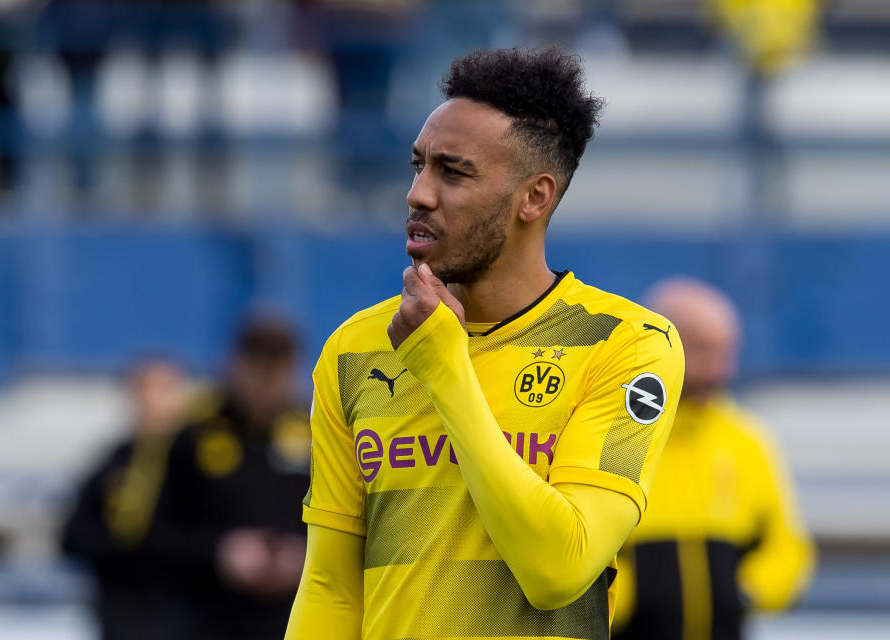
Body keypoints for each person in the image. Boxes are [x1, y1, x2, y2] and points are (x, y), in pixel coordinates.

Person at [286, 48, 686, 640]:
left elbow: (560, 567)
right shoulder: (354, 349)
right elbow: (330, 586)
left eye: (453, 172)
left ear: (535, 198)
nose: (418, 194)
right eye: (418, 166)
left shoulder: (627, 345)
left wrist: (444, 365)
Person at [611, 277, 815, 640]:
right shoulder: (612, 437)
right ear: (660, 348)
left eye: (728, 352)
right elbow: (572, 550)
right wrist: (626, 598)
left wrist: (747, 592)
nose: (723, 370)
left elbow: (787, 548)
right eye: (705, 351)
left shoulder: (747, 441)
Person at [142, 318, 311, 640]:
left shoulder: (317, 433)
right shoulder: (191, 435)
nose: (266, 383)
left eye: (277, 371)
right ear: (233, 363)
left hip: (292, 619)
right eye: (257, 369)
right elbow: (149, 537)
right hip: (206, 617)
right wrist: (221, 552)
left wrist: (306, 555)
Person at [61, 357, 191, 640]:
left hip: (184, 609)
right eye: (144, 389)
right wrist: (123, 547)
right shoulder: (115, 461)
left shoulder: (201, 463)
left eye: (164, 389)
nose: (153, 400)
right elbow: (72, 535)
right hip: (123, 609)